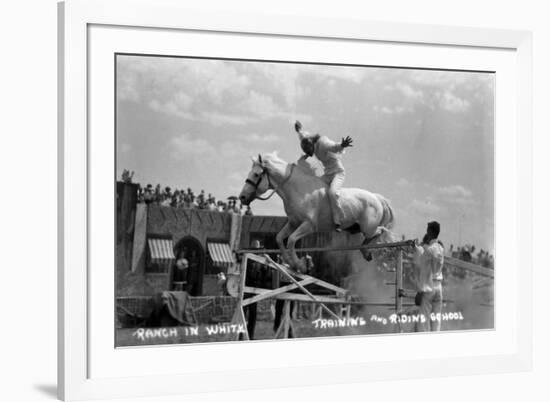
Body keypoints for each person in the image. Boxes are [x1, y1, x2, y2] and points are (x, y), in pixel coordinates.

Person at [294, 120, 353, 231]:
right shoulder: (308, 140)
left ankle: (338, 220)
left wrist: (342, 145)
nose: (309, 154)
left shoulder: (323, 143)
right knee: (314, 188)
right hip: (327, 174)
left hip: (337, 173)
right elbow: (302, 135)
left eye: (309, 151)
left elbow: (335, 147)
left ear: (312, 144)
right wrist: (299, 130)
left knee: (332, 192)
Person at [412, 221, 445, 332]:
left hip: (429, 286)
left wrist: (420, 291)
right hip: (439, 286)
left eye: (427, 230)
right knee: (436, 318)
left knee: (424, 319)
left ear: (430, 231)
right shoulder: (441, 248)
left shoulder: (429, 251)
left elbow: (425, 272)